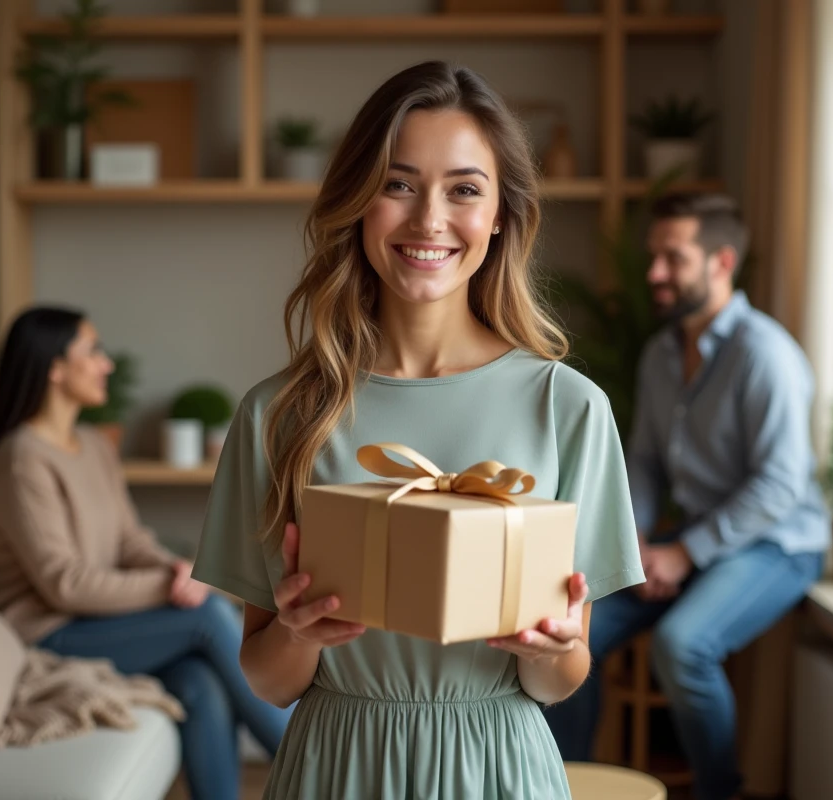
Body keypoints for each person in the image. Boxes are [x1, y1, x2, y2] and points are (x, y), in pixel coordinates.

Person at [191, 60, 644, 799]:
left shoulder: (568, 408)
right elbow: (268, 682)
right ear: (359, 202)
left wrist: (552, 649)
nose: (429, 219)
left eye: (464, 189)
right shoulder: (279, 415)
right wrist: (299, 636)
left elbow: (562, 680)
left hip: (499, 768)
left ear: (500, 214)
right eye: (398, 185)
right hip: (335, 769)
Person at [543, 192, 830, 800]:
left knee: (683, 646)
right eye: (654, 258)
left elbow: (781, 484)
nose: (654, 274)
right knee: (571, 626)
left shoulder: (766, 355)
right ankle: (561, 782)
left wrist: (686, 553)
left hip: (777, 544)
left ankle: (719, 792)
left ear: (721, 261)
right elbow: (644, 459)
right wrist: (638, 543)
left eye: (672, 259)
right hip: (688, 536)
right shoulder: (660, 352)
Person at [0, 306, 293, 800]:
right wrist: (176, 587)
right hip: (44, 634)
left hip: (98, 624)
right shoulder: (20, 459)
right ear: (54, 368)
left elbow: (127, 539)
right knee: (207, 616)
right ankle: (313, 765)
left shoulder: (93, 445)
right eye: (91, 351)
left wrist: (175, 569)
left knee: (199, 682)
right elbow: (64, 583)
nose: (106, 364)